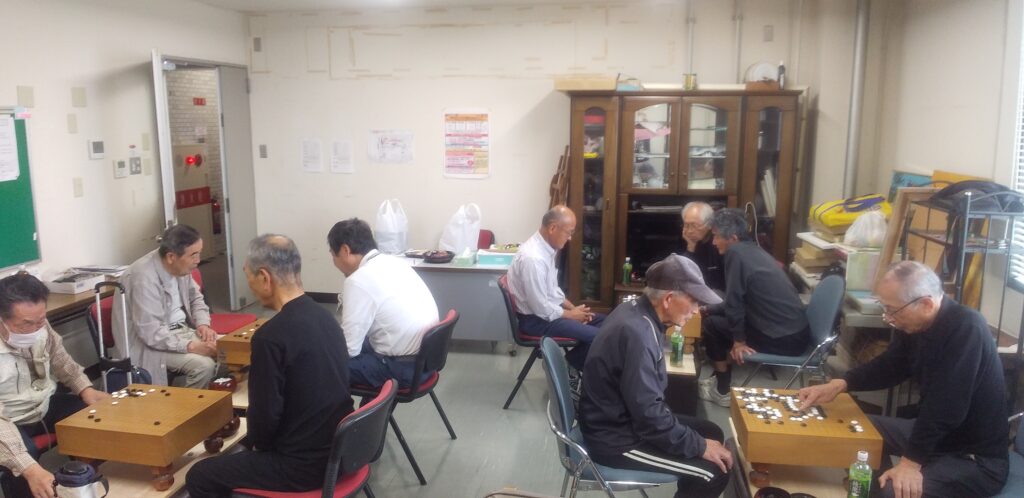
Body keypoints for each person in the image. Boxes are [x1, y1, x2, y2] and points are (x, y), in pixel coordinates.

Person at [798, 261, 1008, 498]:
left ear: (926, 304)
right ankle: (875, 490)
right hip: (939, 438)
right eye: (885, 308)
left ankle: (884, 490)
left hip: (973, 457)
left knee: (894, 491)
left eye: (892, 310)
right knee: (855, 434)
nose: (888, 318)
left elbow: (946, 408)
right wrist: (841, 384)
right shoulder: (916, 325)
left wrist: (910, 464)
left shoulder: (967, 328)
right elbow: (891, 366)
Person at [186, 235, 355, 497]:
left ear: (265, 278)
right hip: (342, 452)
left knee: (199, 475)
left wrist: (248, 444)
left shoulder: (270, 337)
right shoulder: (326, 316)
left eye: (248, 276)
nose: (249, 284)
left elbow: (263, 425)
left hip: (302, 468)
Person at [579, 255, 732, 498]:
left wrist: (699, 443)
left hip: (621, 420)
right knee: (714, 473)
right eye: (693, 301)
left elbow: (646, 406)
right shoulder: (638, 334)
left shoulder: (635, 310)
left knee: (711, 431)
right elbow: (649, 418)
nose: (697, 310)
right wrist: (698, 446)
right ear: (669, 299)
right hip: (616, 439)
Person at [0, 273, 110, 498]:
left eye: (40, 321)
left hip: (42, 404)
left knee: (94, 418)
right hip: (8, 419)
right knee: (23, 462)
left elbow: (61, 360)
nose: (35, 329)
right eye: (26, 324)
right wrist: (30, 470)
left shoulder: (39, 323)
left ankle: (92, 483)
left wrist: (85, 389)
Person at [698, 208, 808, 407]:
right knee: (720, 319)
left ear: (732, 238)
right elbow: (738, 300)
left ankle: (722, 390)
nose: (713, 242)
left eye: (716, 236)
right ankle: (718, 378)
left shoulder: (735, 254)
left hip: (783, 339)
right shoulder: (752, 250)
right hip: (795, 333)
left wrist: (739, 341)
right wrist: (708, 309)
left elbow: (735, 302)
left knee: (712, 326)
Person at [327, 218, 439, 388]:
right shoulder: (394, 262)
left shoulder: (358, 280)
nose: (333, 262)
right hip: (426, 361)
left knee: (322, 365)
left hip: (402, 369)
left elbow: (349, 349)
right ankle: (376, 406)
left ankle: (365, 408)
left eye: (332, 254)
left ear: (345, 250)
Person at [113, 224, 218, 388]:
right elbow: (151, 333)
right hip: (150, 346)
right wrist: (190, 346)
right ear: (171, 257)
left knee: (227, 351)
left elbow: (195, 298)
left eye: (199, 253)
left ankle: (211, 401)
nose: (198, 260)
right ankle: (188, 405)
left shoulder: (180, 266)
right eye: (193, 255)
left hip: (180, 332)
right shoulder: (143, 278)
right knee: (204, 366)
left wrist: (203, 324)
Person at [507, 205, 603, 371]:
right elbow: (540, 307)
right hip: (535, 321)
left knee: (605, 323)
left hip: (546, 314)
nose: (570, 238)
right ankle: (566, 369)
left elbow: (552, 290)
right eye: (569, 233)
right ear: (552, 228)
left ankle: (568, 364)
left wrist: (574, 309)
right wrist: (571, 315)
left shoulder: (546, 249)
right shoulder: (533, 259)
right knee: (601, 338)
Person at [679, 201, 724, 292]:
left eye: (694, 225)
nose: (689, 230)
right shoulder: (686, 238)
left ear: (709, 225)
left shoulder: (718, 244)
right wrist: (690, 247)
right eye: (686, 225)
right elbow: (684, 276)